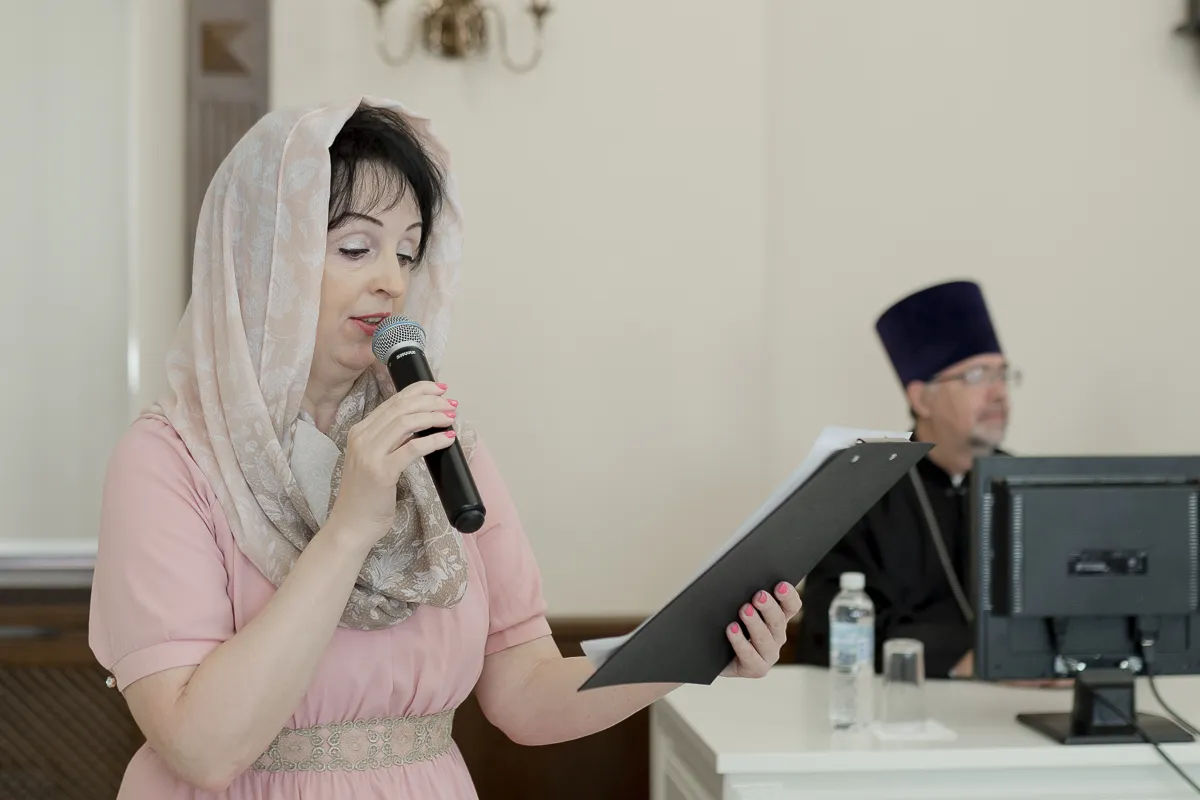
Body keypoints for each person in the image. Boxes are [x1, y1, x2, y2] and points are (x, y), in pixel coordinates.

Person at [87, 97, 802, 798]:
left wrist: (697, 645)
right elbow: (204, 750)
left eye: (407, 253)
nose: (392, 282)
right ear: (262, 258)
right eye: (355, 248)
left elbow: (524, 693)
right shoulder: (170, 461)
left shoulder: (438, 443)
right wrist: (349, 529)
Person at [793, 280, 1013, 680]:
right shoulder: (861, 491)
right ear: (921, 399)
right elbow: (829, 631)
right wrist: (961, 658)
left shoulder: (1028, 486)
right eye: (977, 375)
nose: (999, 393)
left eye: (1003, 374)